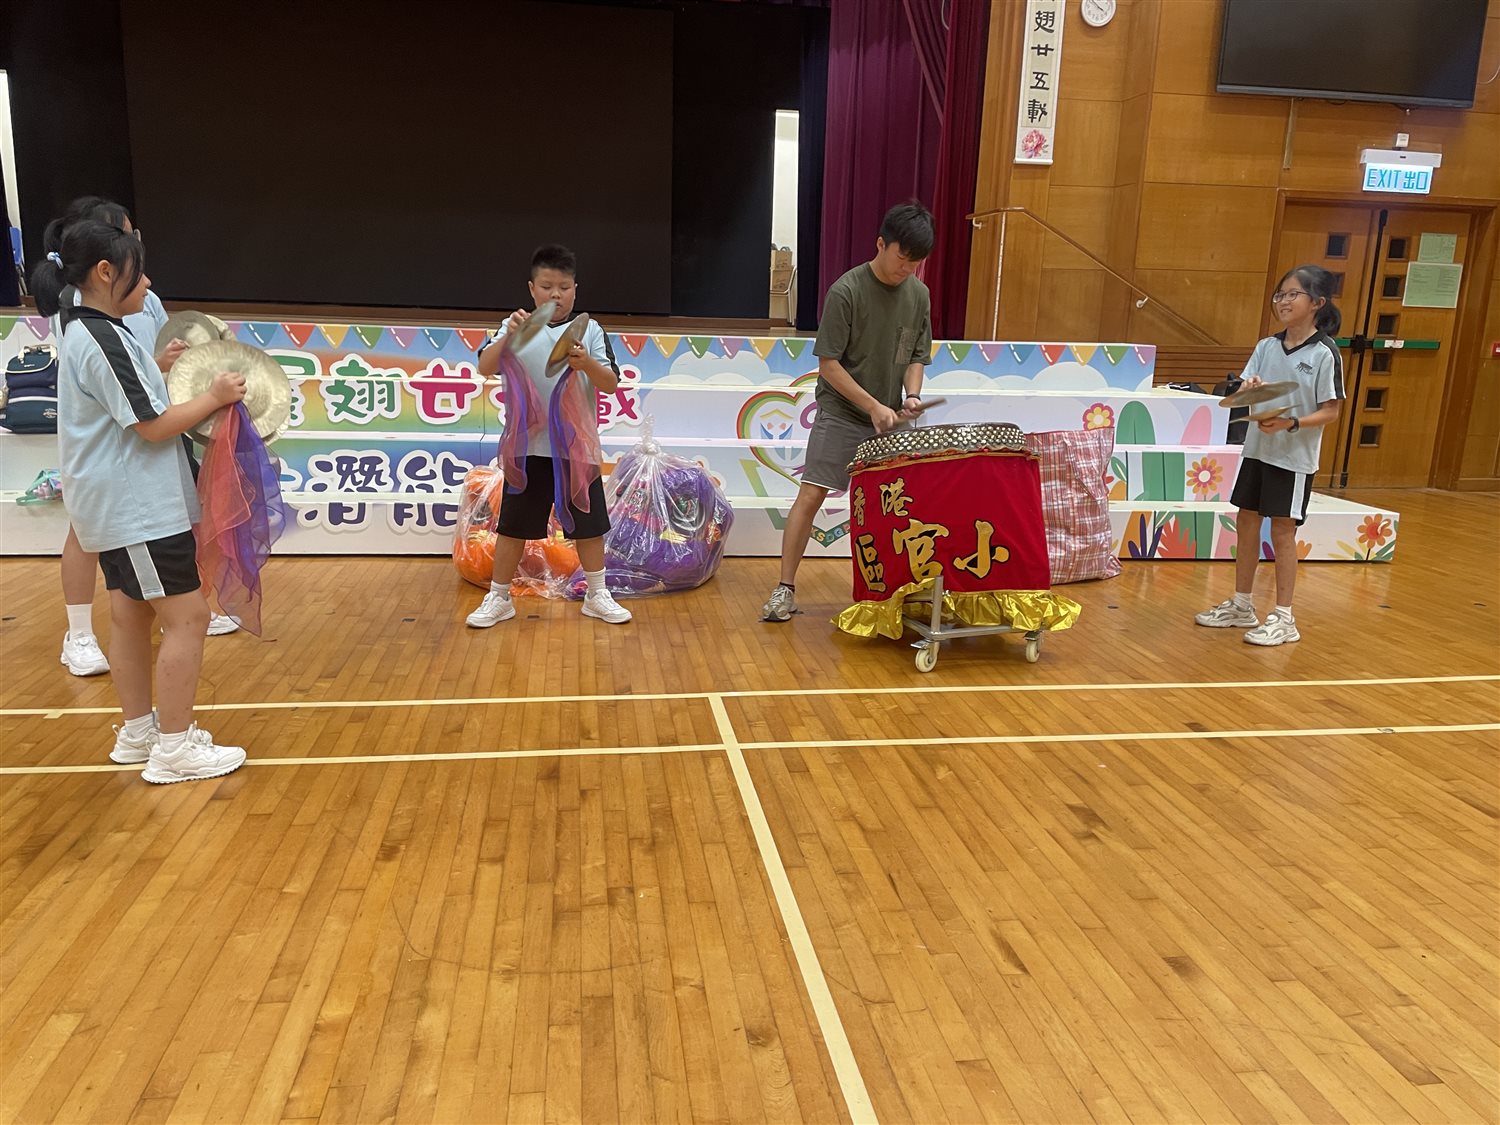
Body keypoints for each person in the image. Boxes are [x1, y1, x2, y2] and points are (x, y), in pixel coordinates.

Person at [32, 219, 248, 782]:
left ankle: (138, 733)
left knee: (131, 617)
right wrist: (214, 396)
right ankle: (174, 748)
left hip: (116, 504)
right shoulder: (101, 338)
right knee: (189, 617)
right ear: (106, 272)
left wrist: (164, 368)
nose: (147, 283)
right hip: (138, 509)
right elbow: (151, 426)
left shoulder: (92, 330)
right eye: (138, 271)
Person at [761, 201, 934, 622]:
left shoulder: (919, 295)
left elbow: (914, 354)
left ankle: (896, 589)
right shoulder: (847, 291)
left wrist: (911, 396)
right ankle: (785, 588)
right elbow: (829, 365)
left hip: (890, 418)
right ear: (881, 244)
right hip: (842, 413)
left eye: (916, 262)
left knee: (903, 505)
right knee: (812, 494)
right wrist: (872, 405)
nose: (907, 268)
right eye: (902, 257)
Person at [465, 243, 633, 628]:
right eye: (546, 287)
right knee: (513, 525)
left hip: (576, 448)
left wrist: (585, 362)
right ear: (531, 288)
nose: (555, 295)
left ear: (576, 289)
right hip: (527, 446)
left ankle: (597, 594)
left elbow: (610, 383)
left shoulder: (590, 330)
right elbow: (485, 367)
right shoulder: (515, 326)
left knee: (589, 525)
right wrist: (508, 338)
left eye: (564, 287)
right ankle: (499, 597)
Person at [1195, 264, 1346, 646]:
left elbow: (1331, 411)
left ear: (1317, 303)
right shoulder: (1266, 346)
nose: (1283, 302)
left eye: (1293, 294)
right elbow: (1244, 392)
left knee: (1282, 530)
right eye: (1280, 295)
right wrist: (1249, 388)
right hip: (1258, 451)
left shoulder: (1325, 353)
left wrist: (1291, 423)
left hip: (1293, 459)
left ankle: (1284, 617)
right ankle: (1242, 605)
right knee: (1246, 520)